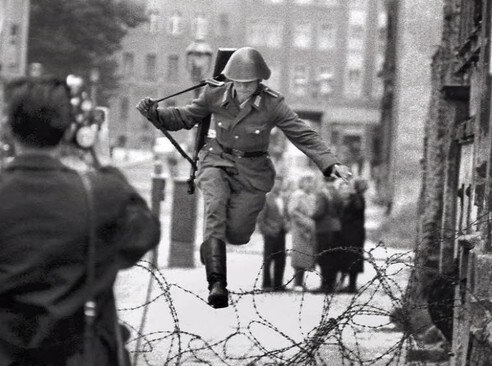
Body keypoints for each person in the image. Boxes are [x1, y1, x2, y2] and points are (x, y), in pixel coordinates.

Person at [0, 77, 161, 365]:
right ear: (69, 131)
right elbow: (144, 234)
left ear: (7, 128)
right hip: (77, 350)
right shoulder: (100, 193)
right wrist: (101, 163)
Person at [136, 46, 352, 308]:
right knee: (214, 207)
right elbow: (186, 116)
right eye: (239, 82)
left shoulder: (272, 103)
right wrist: (156, 114)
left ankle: (211, 248)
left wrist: (330, 163)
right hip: (216, 161)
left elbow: (302, 133)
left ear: (260, 80)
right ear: (231, 80)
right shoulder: (215, 93)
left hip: (252, 172)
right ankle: (217, 283)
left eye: (250, 83)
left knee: (238, 234)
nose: (244, 88)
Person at [311, 176, 344, 294]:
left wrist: (311, 215)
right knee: (333, 257)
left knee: (324, 257)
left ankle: (324, 285)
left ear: (323, 181)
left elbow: (319, 211)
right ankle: (331, 284)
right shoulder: (337, 194)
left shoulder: (321, 194)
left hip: (324, 229)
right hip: (336, 227)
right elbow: (341, 210)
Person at [256, 175, 288, 291]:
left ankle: (278, 284)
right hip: (270, 233)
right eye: (276, 183)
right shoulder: (266, 198)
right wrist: (267, 231)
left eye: (280, 183)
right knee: (268, 259)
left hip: (281, 232)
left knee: (281, 259)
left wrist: (286, 224)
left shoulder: (283, 198)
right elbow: (260, 219)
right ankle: (266, 284)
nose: (278, 185)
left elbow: (285, 214)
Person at [337, 178, 368, 293]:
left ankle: (349, 285)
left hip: (352, 232)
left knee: (350, 258)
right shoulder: (358, 198)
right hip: (355, 232)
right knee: (353, 258)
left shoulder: (355, 198)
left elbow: (350, 214)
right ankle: (351, 285)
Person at [287, 175, 317, 291]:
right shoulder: (297, 195)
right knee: (299, 254)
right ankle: (297, 282)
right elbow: (292, 211)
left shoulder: (310, 196)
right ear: (302, 183)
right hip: (300, 228)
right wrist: (305, 221)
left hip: (309, 228)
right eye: (307, 182)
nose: (310, 184)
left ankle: (301, 282)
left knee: (306, 255)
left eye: (311, 182)